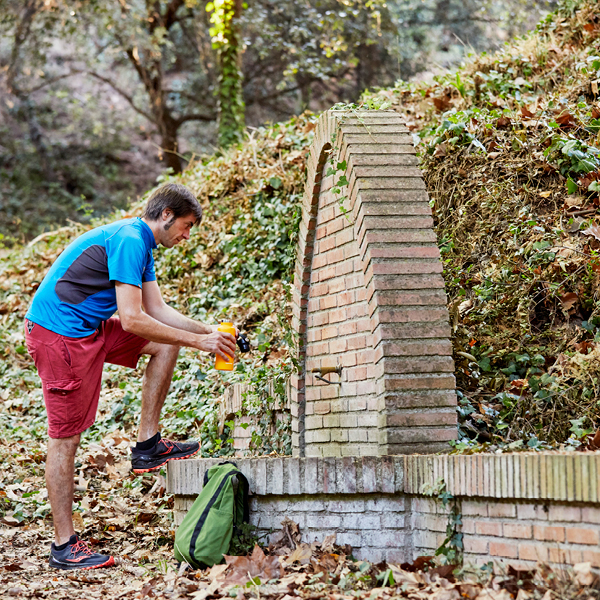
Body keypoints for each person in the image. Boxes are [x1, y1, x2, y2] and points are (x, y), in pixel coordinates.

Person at [24, 183, 237, 571]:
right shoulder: (128, 239)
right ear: (167, 215)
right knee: (65, 439)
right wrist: (198, 343)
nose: (187, 237)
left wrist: (208, 333)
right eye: (186, 226)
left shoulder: (142, 244)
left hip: (89, 329)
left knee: (165, 345)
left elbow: (156, 311)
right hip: (59, 336)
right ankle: (63, 546)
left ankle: (147, 446)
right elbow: (134, 318)